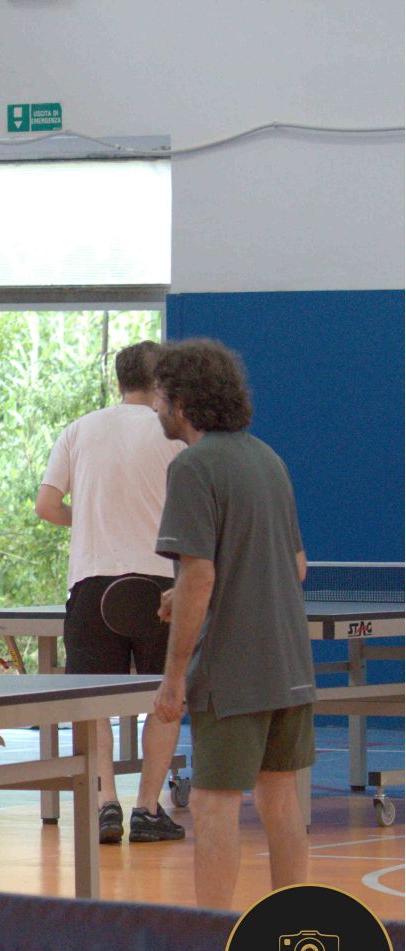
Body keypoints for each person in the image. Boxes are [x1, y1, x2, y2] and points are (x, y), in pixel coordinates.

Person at [149, 339, 314, 910]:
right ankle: (292, 933)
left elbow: (200, 575)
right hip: (289, 663)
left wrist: (174, 678)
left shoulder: (192, 467)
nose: (155, 408)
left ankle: (213, 940)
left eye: (160, 397)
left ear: (182, 403)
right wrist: (186, 591)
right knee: (280, 799)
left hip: (231, 670)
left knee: (213, 803)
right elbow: (294, 566)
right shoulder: (268, 459)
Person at [35, 340, 186, 845]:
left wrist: (90, 520)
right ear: (160, 382)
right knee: (165, 698)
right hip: (160, 586)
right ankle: (148, 809)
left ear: (119, 381)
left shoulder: (79, 430)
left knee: (92, 702)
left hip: (92, 584)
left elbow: (46, 506)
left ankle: (105, 804)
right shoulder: (174, 433)